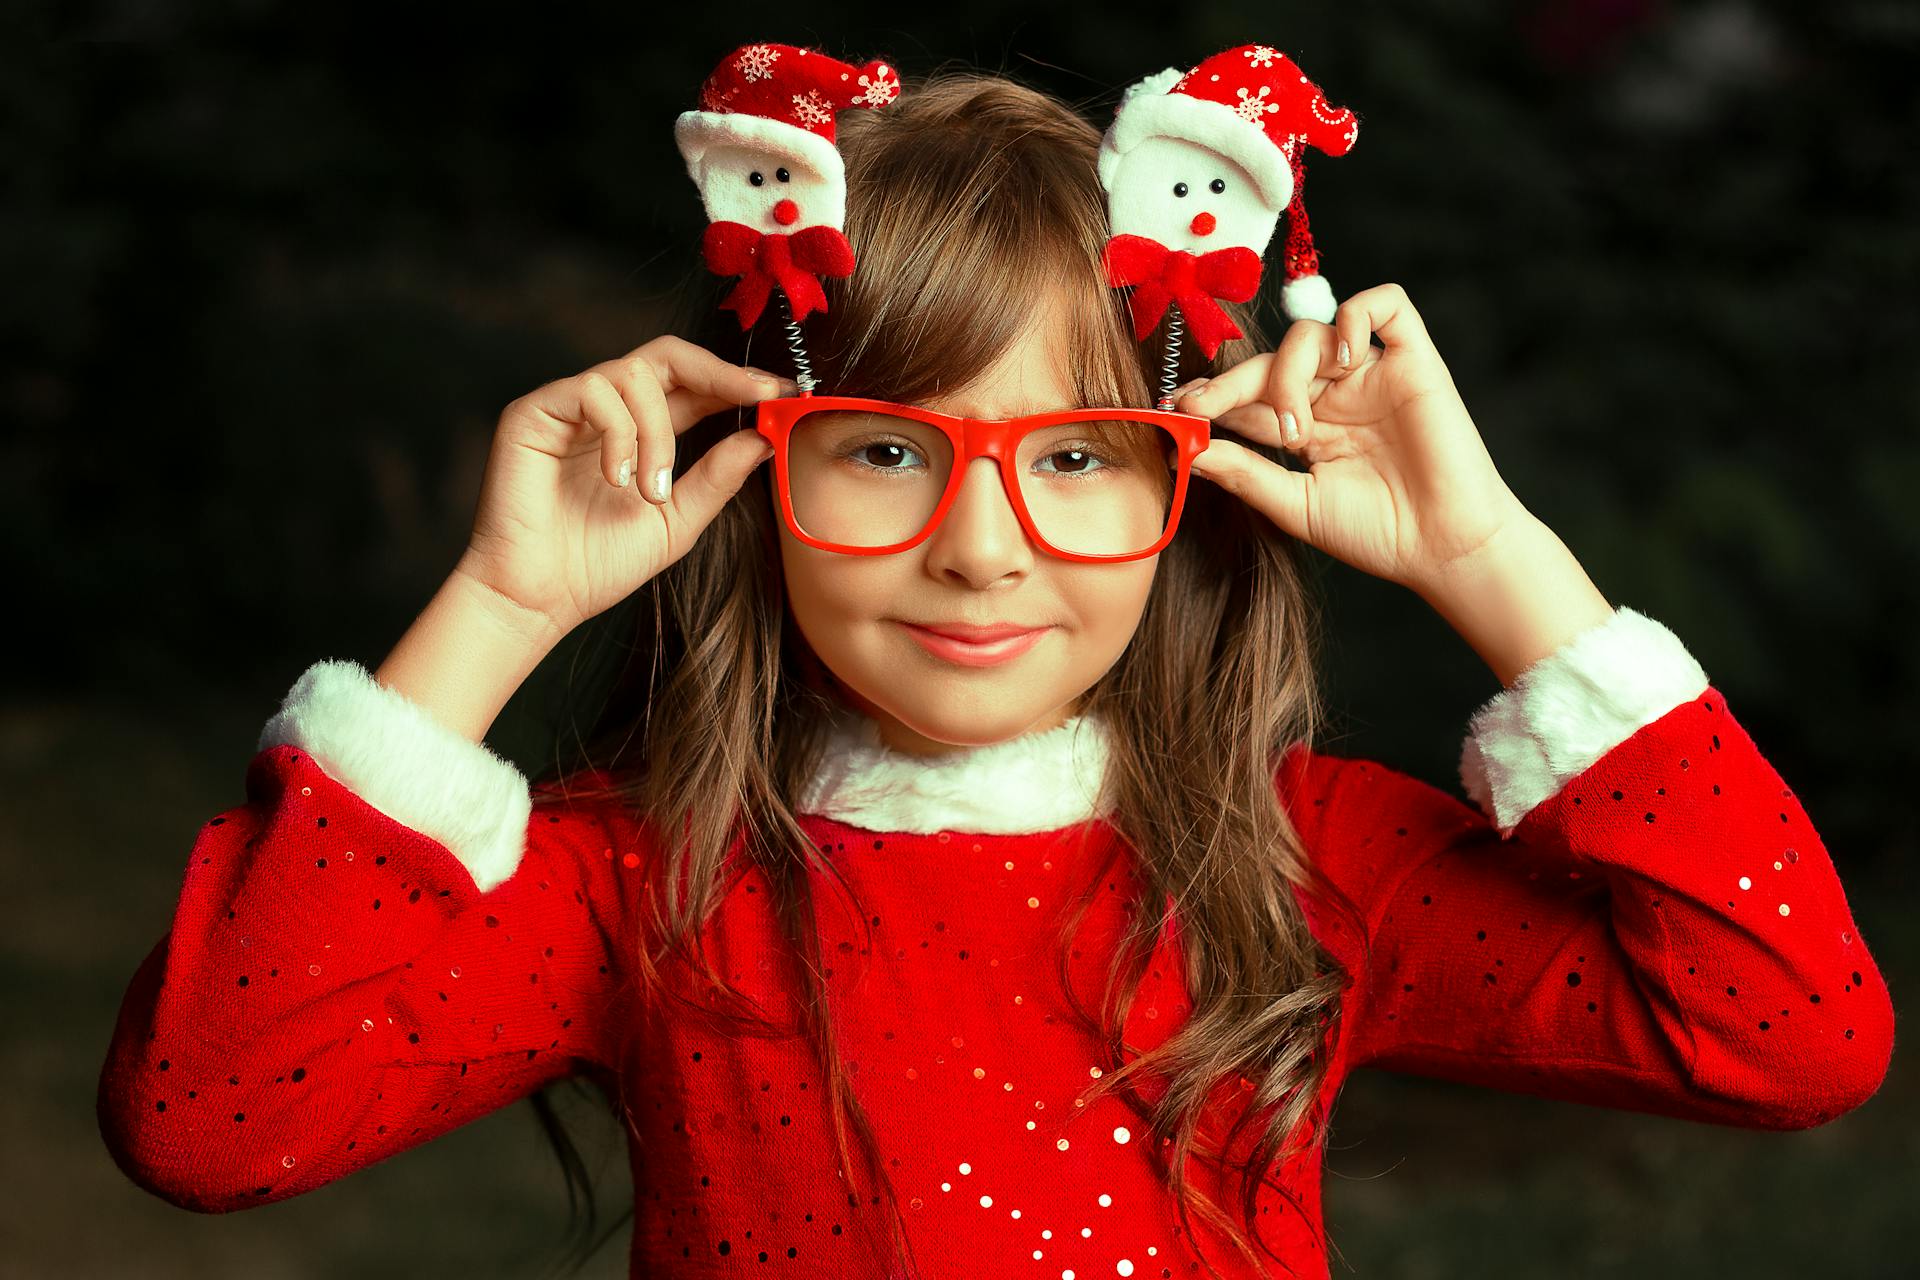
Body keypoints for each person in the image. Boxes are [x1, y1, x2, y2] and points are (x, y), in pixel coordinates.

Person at [95, 71, 1894, 1280]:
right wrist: (495, 602)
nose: (982, 545)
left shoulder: (1307, 867)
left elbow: (1789, 1031)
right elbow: (208, 1113)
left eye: (1078, 454)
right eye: (886, 448)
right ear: (756, 470)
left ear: (1185, 487)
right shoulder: (639, 878)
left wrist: (1495, 563)